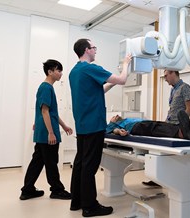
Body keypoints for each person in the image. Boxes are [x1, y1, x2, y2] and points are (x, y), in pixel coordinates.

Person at [68, 38, 132, 217]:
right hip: (94, 125)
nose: (96, 50)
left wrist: (112, 81)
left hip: (82, 125)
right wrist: (126, 64)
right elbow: (123, 79)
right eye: (94, 47)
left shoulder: (75, 72)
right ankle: (90, 206)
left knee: (80, 163)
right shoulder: (91, 68)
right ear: (87, 50)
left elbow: (97, 90)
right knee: (90, 166)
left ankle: (77, 201)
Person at [20, 59, 73, 201]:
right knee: (51, 162)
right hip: (47, 133)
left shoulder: (47, 88)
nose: (61, 73)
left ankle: (27, 190)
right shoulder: (46, 88)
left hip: (44, 131)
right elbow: (44, 111)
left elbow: (50, 112)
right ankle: (57, 190)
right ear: (50, 72)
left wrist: (64, 126)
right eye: (58, 70)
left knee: (38, 161)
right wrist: (51, 132)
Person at [142, 69, 190, 187]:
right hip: (169, 124)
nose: (165, 79)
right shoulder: (173, 89)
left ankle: (172, 180)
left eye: (166, 76)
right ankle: (158, 179)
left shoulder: (184, 87)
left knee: (174, 157)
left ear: (173, 73)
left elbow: (189, 108)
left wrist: (183, 126)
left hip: (177, 126)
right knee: (160, 152)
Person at [106, 111, 190, 140]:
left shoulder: (126, 119)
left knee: (163, 125)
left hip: (145, 122)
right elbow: (114, 131)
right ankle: (182, 133)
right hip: (137, 127)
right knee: (157, 129)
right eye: (114, 117)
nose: (117, 116)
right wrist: (118, 130)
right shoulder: (115, 126)